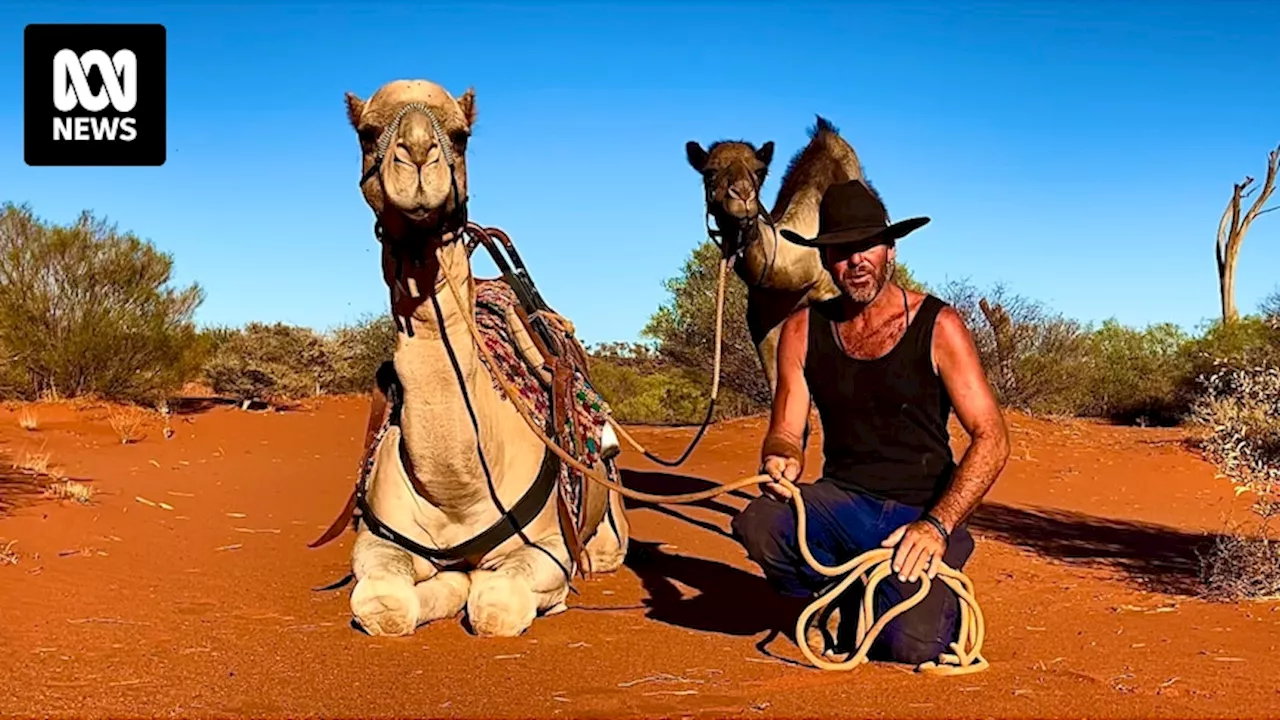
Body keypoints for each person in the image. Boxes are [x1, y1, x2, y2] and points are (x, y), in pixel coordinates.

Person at [730, 178, 1010, 665]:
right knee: (760, 522)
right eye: (840, 250)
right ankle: (827, 597)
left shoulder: (939, 326)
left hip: (922, 510)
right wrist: (780, 457)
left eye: (866, 246)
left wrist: (938, 527)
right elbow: (786, 430)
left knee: (906, 647)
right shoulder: (801, 331)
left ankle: (923, 598)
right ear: (824, 259)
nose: (855, 260)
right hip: (843, 502)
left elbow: (993, 439)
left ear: (890, 249)